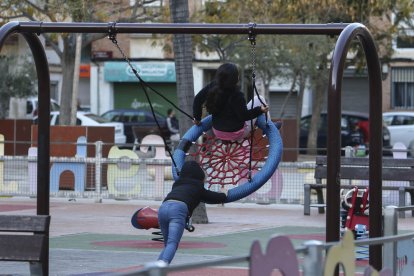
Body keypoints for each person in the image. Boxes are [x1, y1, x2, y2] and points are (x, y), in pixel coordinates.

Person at [157, 160, 227, 265]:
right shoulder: (198, 187)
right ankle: (161, 266)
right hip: (178, 209)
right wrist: (224, 194)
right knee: (173, 243)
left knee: (168, 244)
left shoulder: (176, 184)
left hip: (163, 207)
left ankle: (157, 266)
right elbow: (213, 197)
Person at [193, 62, 269, 141]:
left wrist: (197, 118)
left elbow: (197, 99)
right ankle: (267, 128)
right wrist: (260, 110)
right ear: (235, 78)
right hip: (236, 134)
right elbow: (244, 116)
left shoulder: (212, 86)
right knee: (259, 98)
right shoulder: (237, 94)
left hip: (218, 132)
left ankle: (228, 139)